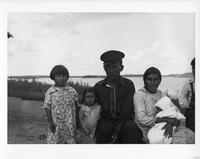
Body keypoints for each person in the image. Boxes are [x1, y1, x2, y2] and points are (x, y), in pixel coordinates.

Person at [94, 50, 141, 144]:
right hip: (106, 122)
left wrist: (118, 130)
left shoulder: (128, 84)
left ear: (121, 67)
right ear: (104, 68)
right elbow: (97, 110)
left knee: (131, 126)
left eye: (114, 66)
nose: (111, 70)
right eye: (107, 67)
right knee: (104, 127)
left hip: (124, 121)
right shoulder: (98, 87)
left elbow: (127, 109)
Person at [134, 67, 179, 143]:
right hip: (144, 130)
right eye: (149, 79)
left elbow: (176, 112)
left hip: (164, 126)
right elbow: (141, 119)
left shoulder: (162, 95)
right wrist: (165, 119)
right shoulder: (139, 95)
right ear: (144, 80)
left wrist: (170, 123)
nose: (152, 82)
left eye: (155, 79)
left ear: (160, 81)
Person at [43, 65, 79, 144]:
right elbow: (47, 108)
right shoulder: (50, 92)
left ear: (67, 77)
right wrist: (51, 122)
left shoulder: (72, 90)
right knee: (56, 142)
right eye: (58, 76)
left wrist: (78, 121)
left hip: (70, 123)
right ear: (53, 77)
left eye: (64, 76)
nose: (62, 78)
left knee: (70, 142)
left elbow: (77, 107)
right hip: (57, 123)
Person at [179, 58, 195, 132]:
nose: (195, 70)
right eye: (193, 68)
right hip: (192, 117)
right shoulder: (189, 84)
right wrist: (190, 103)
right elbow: (181, 98)